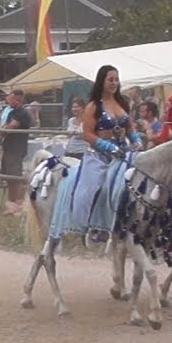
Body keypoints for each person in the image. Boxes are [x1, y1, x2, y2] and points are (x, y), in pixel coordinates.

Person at [48, 65, 139, 241]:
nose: (114, 83)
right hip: (98, 157)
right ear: (101, 81)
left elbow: (130, 128)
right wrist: (109, 147)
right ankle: (92, 226)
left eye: (116, 79)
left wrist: (136, 140)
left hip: (123, 154)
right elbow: (87, 134)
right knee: (93, 187)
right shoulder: (93, 107)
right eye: (110, 79)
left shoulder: (123, 103)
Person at [0, 89, 32, 209]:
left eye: (10, 98)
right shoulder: (12, 112)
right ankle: (11, 203)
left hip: (17, 149)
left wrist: (4, 128)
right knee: (9, 178)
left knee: (16, 178)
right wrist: (4, 128)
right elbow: (4, 127)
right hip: (8, 148)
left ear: (17, 100)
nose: (8, 100)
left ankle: (19, 203)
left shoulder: (22, 113)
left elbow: (10, 127)